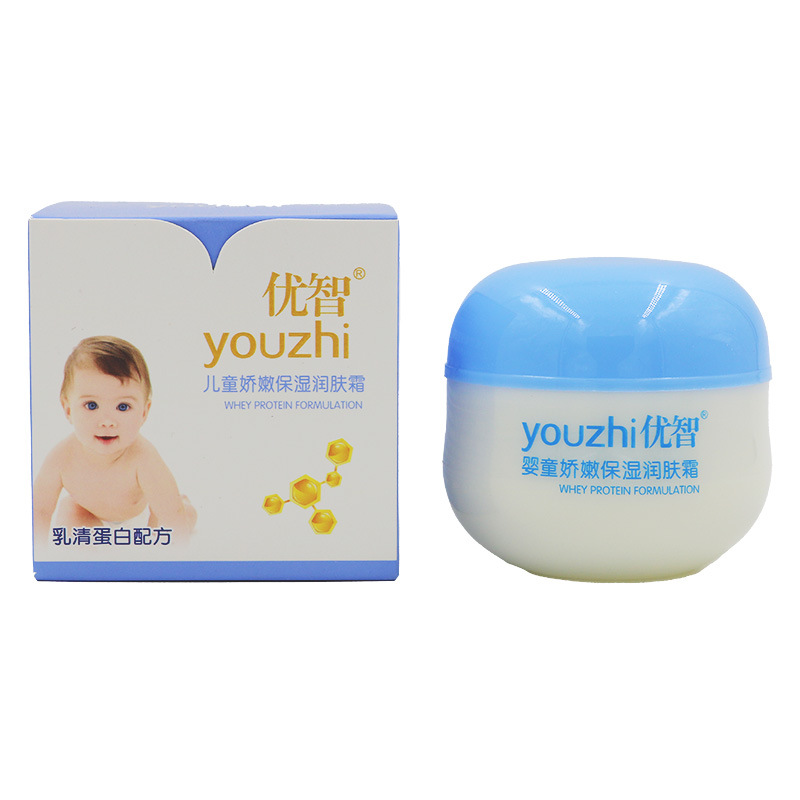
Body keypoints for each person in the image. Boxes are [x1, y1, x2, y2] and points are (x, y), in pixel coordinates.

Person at [33, 336, 196, 545]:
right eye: (91, 405)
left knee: (172, 519)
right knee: (71, 515)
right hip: (88, 510)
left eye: (123, 407)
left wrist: (176, 546)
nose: (107, 422)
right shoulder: (61, 457)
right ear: (68, 409)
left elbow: (171, 514)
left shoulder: (143, 458)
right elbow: (40, 510)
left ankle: (187, 509)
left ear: (144, 412)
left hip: (141, 517)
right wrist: (38, 551)